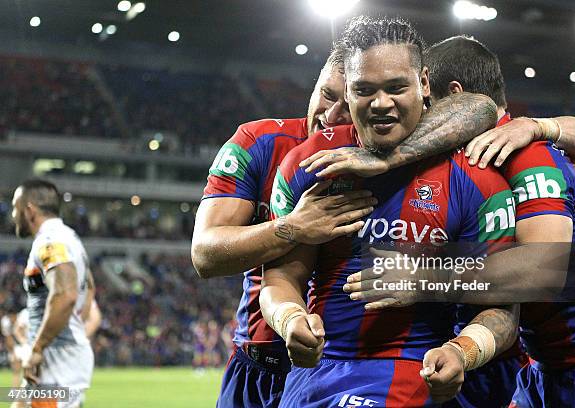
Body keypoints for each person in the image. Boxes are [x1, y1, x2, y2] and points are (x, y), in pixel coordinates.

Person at [192, 46, 499, 406]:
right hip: (260, 358)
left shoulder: (396, 154)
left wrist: (391, 158)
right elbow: (204, 255)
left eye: (348, 99)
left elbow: (479, 107)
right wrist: (294, 227)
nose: (333, 114)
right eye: (326, 95)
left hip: (340, 362)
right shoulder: (261, 144)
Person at [261, 16, 519, 407]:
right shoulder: (308, 165)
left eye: (397, 87)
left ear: (425, 84)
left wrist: (462, 350)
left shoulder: (476, 178)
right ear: (347, 91)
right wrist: (290, 320)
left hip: (419, 372)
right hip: (317, 376)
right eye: (364, 90)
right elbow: (280, 279)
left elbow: (504, 307)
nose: (381, 104)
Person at [342, 36, 575, 408]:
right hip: (543, 365)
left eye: (431, 105)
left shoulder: (526, 156)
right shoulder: (483, 160)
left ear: (456, 96)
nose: (426, 122)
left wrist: (422, 278)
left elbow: (547, 268)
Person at [11, 179, 94, 408]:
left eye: (14, 208)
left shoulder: (51, 241)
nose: (12, 215)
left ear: (29, 210)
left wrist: (37, 348)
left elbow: (65, 295)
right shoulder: (70, 238)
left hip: (56, 360)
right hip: (57, 355)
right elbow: (90, 288)